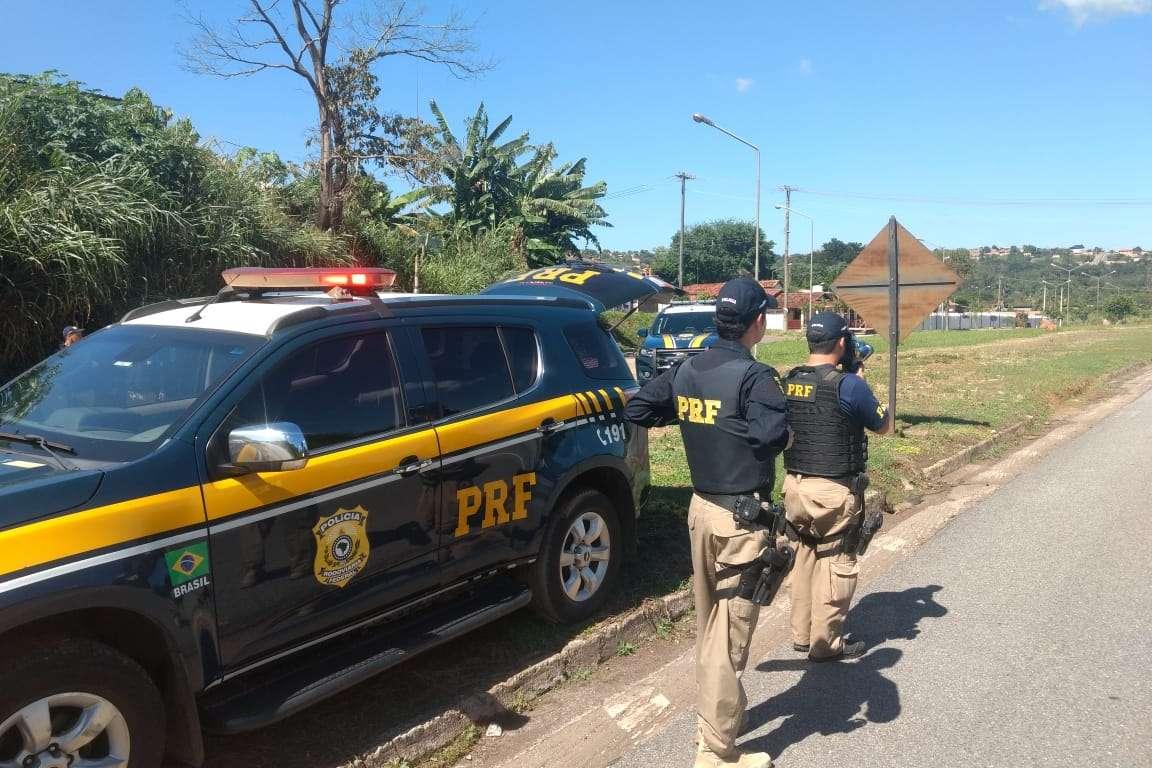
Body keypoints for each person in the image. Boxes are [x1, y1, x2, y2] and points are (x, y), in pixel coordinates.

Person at [625, 277, 790, 768]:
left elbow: (637, 405)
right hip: (741, 522)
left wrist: (690, 415)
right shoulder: (756, 378)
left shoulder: (688, 370)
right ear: (757, 322)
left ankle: (713, 728)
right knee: (729, 633)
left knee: (709, 624)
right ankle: (716, 754)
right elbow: (771, 438)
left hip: (701, 514)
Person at [781, 311, 892, 662]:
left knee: (805, 556)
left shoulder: (791, 380)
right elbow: (882, 426)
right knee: (835, 560)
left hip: (794, 487)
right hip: (833, 489)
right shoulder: (849, 385)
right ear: (842, 343)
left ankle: (801, 634)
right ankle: (825, 643)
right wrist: (864, 384)